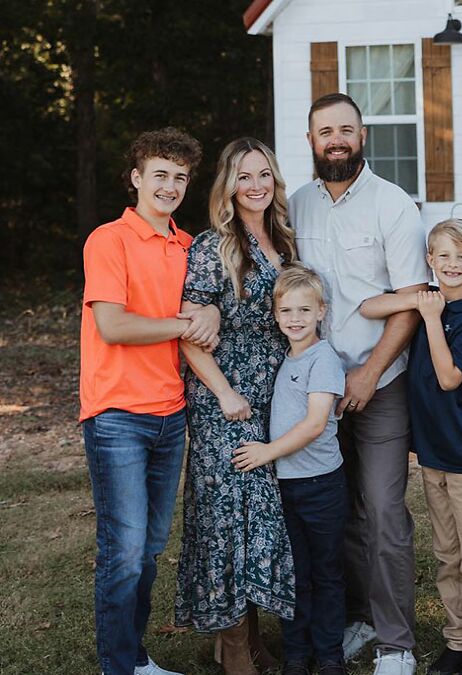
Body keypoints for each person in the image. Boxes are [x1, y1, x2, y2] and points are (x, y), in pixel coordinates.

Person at [289, 92, 430, 675]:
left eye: (346, 129)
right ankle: (357, 619)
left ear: (363, 136)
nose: (336, 140)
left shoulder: (393, 206)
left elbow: (412, 300)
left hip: (380, 382)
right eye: (326, 132)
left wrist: (370, 374)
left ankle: (397, 643)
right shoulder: (296, 206)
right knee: (337, 509)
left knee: (382, 509)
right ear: (312, 141)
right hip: (318, 387)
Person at [80, 127, 215, 675]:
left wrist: (211, 314)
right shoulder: (108, 239)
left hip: (171, 414)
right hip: (117, 415)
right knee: (124, 551)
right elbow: (112, 325)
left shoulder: (188, 246)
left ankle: (135, 659)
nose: (171, 186)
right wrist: (186, 321)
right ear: (136, 179)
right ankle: (120, 666)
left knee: (150, 549)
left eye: (180, 177)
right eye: (160, 174)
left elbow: (206, 311)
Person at [361, 219, 462, 675]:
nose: (451, 264)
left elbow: (448, 378)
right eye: (442, 255)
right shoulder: (427, 298)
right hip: (433, 456)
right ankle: (458, 639)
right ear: (430, 259)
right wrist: (416, 301)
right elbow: (368, 306)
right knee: (447, 555)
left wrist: (429, 317)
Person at [173, 137, 298, 674]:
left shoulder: (284, 242)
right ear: (229, 184)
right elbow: (188, 331)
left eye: (264, 174)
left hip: (275, 397)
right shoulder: (212, 245)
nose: (256, 185)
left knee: (260, 520)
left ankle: (246, 642)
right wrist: (226, 394)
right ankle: (235, 652)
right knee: (228, 521)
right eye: (244, 176)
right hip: (225, 401)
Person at [232, 264, 349, 675]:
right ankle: (297, 655)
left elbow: (315, 424)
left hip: (321, 484)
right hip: (286, 487)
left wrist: (266, 453)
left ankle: (330, 655)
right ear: (276, 314)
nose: (295, 319)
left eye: (304, 310)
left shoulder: (324, 360)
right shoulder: (283, 359)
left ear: (322, 311)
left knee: (327, 573)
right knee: (294, 573)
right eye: (287, 311)